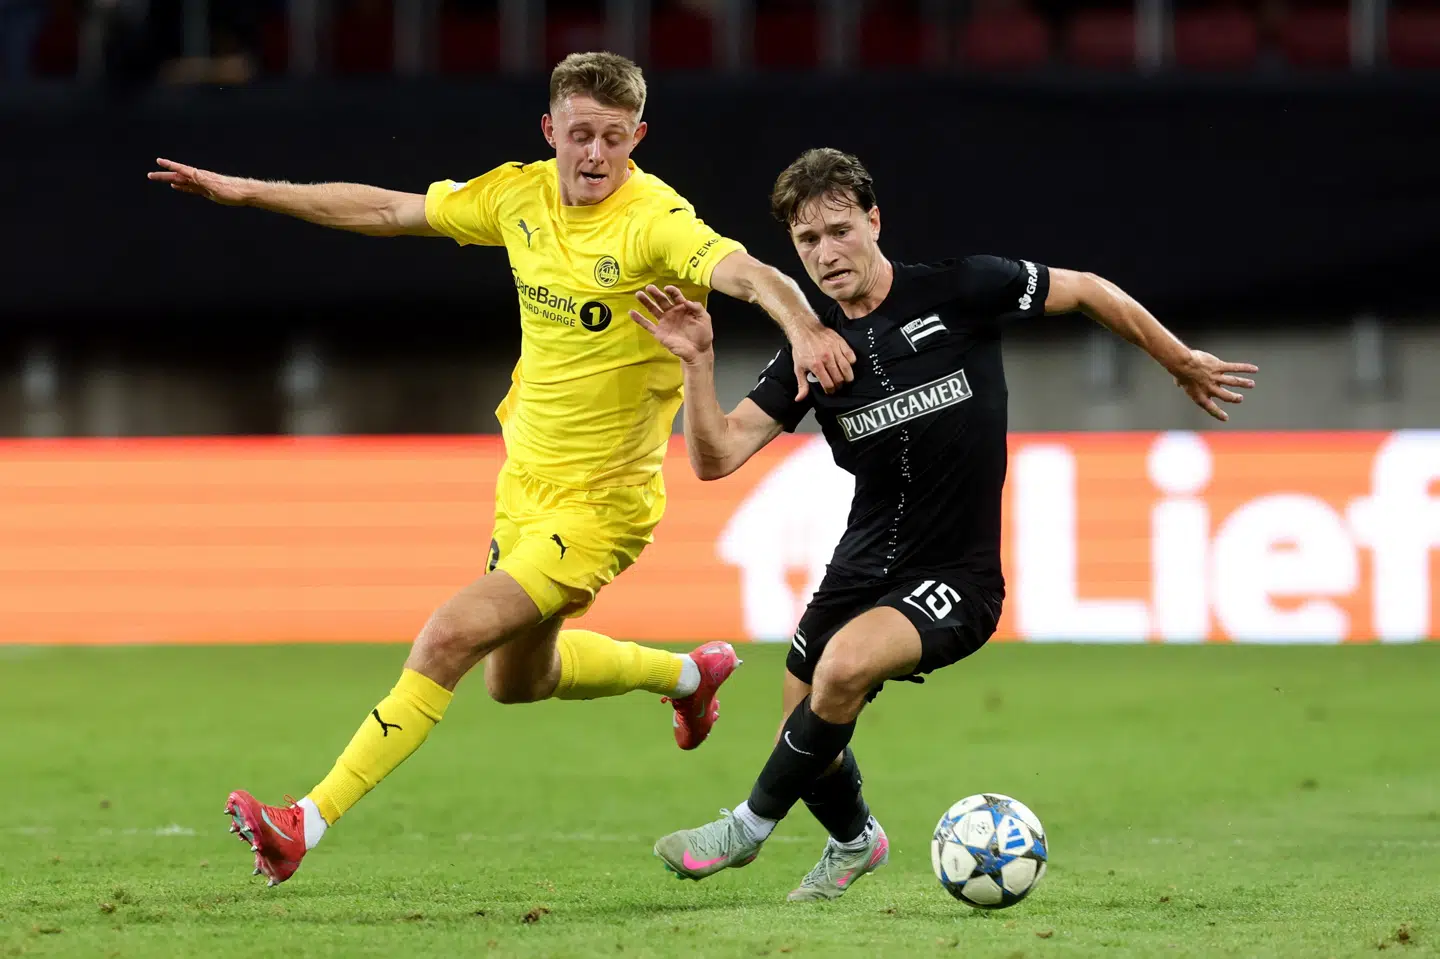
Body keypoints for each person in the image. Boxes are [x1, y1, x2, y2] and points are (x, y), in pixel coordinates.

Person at [147, 52, 856, 887]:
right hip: (523, 489)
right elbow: (387, 211)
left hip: (602, 506)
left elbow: (747, 271)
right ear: (550, 130)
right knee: (517, 680)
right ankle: (688, 674)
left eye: (615, 139)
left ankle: (303, 822)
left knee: (446, 634)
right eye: (581, 135)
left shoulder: (653, 219)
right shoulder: (517, 196)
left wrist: (806, 328)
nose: (596, 155)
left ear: (639, 138)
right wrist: (248, 191)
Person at [633, 147, 1258, 902]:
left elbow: (1089, 289)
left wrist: (1179, 359)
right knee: (810, 726)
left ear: (873, 219)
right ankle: (855, 841)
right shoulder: (811, 347)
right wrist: (698, 366)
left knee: (840, 671)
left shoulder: (963, 289)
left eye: (839, 230)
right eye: (807, 243)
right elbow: (717, 455)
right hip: (861, 563)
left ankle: (744, 828)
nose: (827, 254)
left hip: (958, 574)